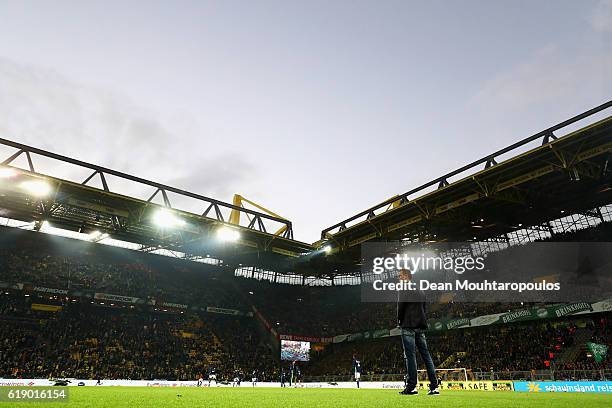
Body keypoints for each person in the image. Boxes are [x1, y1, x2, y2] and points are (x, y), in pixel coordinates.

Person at [396, 269, 439, 395]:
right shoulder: (420, 290)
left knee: (410, 356)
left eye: (400, 276)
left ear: (406, 276)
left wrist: (399, 321)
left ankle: (412, 387)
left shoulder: (403, 287)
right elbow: (424, 308)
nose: (399, 278)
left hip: (408, 325)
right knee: (426, 356)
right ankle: (434, 386)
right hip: (420, 326)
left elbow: (401, 306)